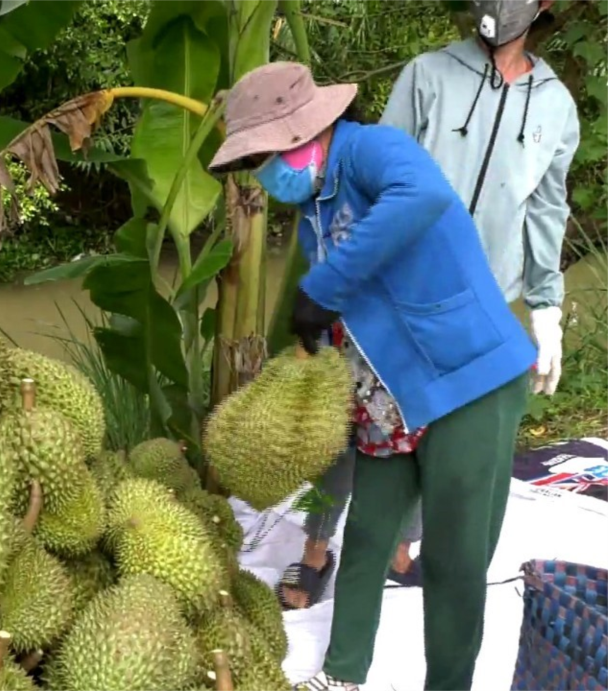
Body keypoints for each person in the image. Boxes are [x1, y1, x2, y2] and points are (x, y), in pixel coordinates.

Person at [207, 60, 538, 691]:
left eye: (265, 157)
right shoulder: (312, 208)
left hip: (467, 381)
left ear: (305, 133)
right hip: (388, 401)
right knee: (364, 539)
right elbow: (354, 304)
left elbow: (422, 198)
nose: (264, 175)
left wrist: (323, 286)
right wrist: (315, 342)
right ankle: (342, 674)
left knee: (455, 561)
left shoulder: (372, 150)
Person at [374, 0, 579, 586]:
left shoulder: (555, 105)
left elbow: (546, 209)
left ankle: (405, 547)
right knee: (373, 421)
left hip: (484, 295)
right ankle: (317, 547)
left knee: (450, 428)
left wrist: (545, 307)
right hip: (406, 282)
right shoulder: (428, 74)